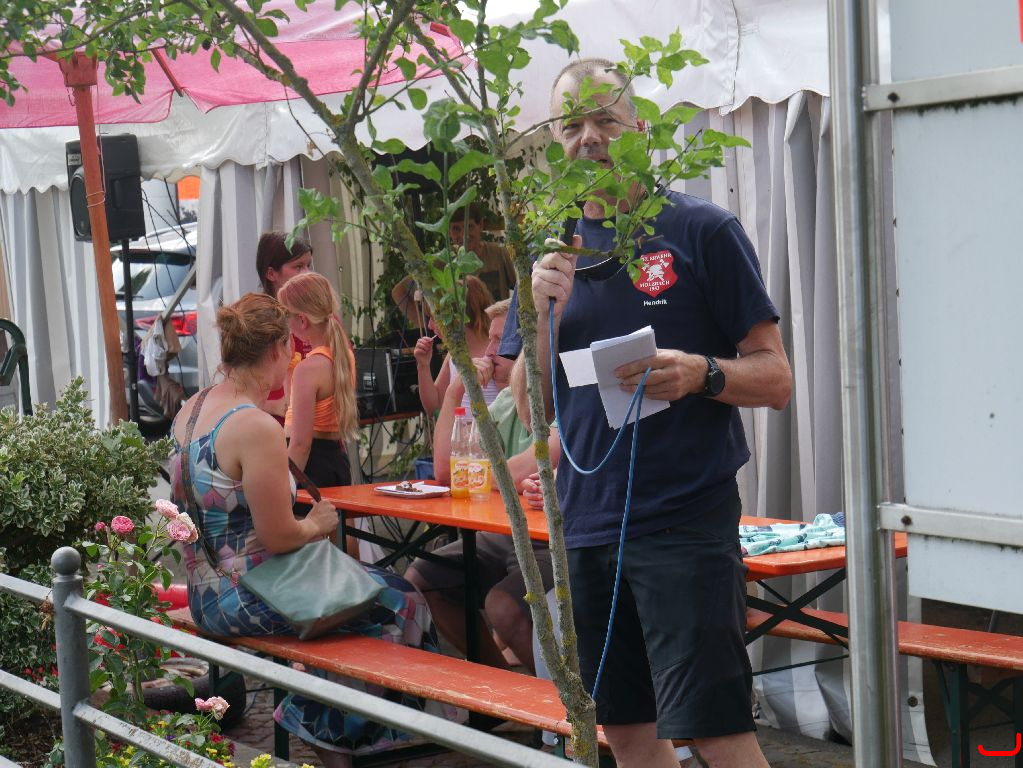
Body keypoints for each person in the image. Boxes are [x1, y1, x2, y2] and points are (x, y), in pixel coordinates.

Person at [511, 59, 792, 768]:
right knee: (629, 733)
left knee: (714, 733)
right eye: (570, 126)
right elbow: (527, 403)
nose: (588, 138)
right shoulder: (548, 250)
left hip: (683, 521)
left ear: (638, 127)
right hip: (585, 527)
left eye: (604, 120)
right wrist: (540, 312)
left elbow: (777, 378)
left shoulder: (700, 230)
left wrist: (702, 373)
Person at [171, 293, 455, 768]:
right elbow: (280, 536)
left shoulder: (192, 408)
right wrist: (317, 523)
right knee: (402, 603)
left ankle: (336, 734)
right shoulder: (254, 426)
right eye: (290, 347)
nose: (294, 356)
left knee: (371, 603)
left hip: (204, 591)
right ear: (277, 349)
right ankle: (318, 723)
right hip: (248, 594)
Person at [404, 299, 559, 673]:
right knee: (421, 579)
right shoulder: (507, 399)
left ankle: (560, 703)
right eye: (489, 339)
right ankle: (500, 687)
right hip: (507, 532)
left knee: (502, 606)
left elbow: (523, 470)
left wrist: (477, 473)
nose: (488, 351)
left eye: (499, 341)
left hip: (552, 539)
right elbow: (446, 472)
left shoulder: (562, 399)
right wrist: (455, 393)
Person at [276, 272, 358, 488]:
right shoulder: (343, 356)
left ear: (302, 320)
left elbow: (301, 444)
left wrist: (284, 489)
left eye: (286, 315)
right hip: (334, 461)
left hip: (308, 467)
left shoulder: (309, 369)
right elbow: (292, 409)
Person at [405, 275, 499, 414]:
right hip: (460, 428)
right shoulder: (453, 353)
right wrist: (423, 366)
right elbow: (433, 405)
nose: (429, 325)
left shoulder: (497, 352)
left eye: (434, 318)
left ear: (456, 319)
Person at [255, 231, 314, 423]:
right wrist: (271, 406)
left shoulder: (321, 316)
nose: (307, 273)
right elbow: (235, 387)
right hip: (272, 429)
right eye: (298, 266)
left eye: (308, 265)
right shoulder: (255, 322)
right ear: (271, 273)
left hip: (320, 429)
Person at [449, 203, 516, 301]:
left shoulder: (499, 253)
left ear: (480, 225)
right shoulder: (446, 263)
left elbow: (522, 286)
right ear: (449, 232)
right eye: (456, 229)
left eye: (469, 227)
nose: (463, 235)